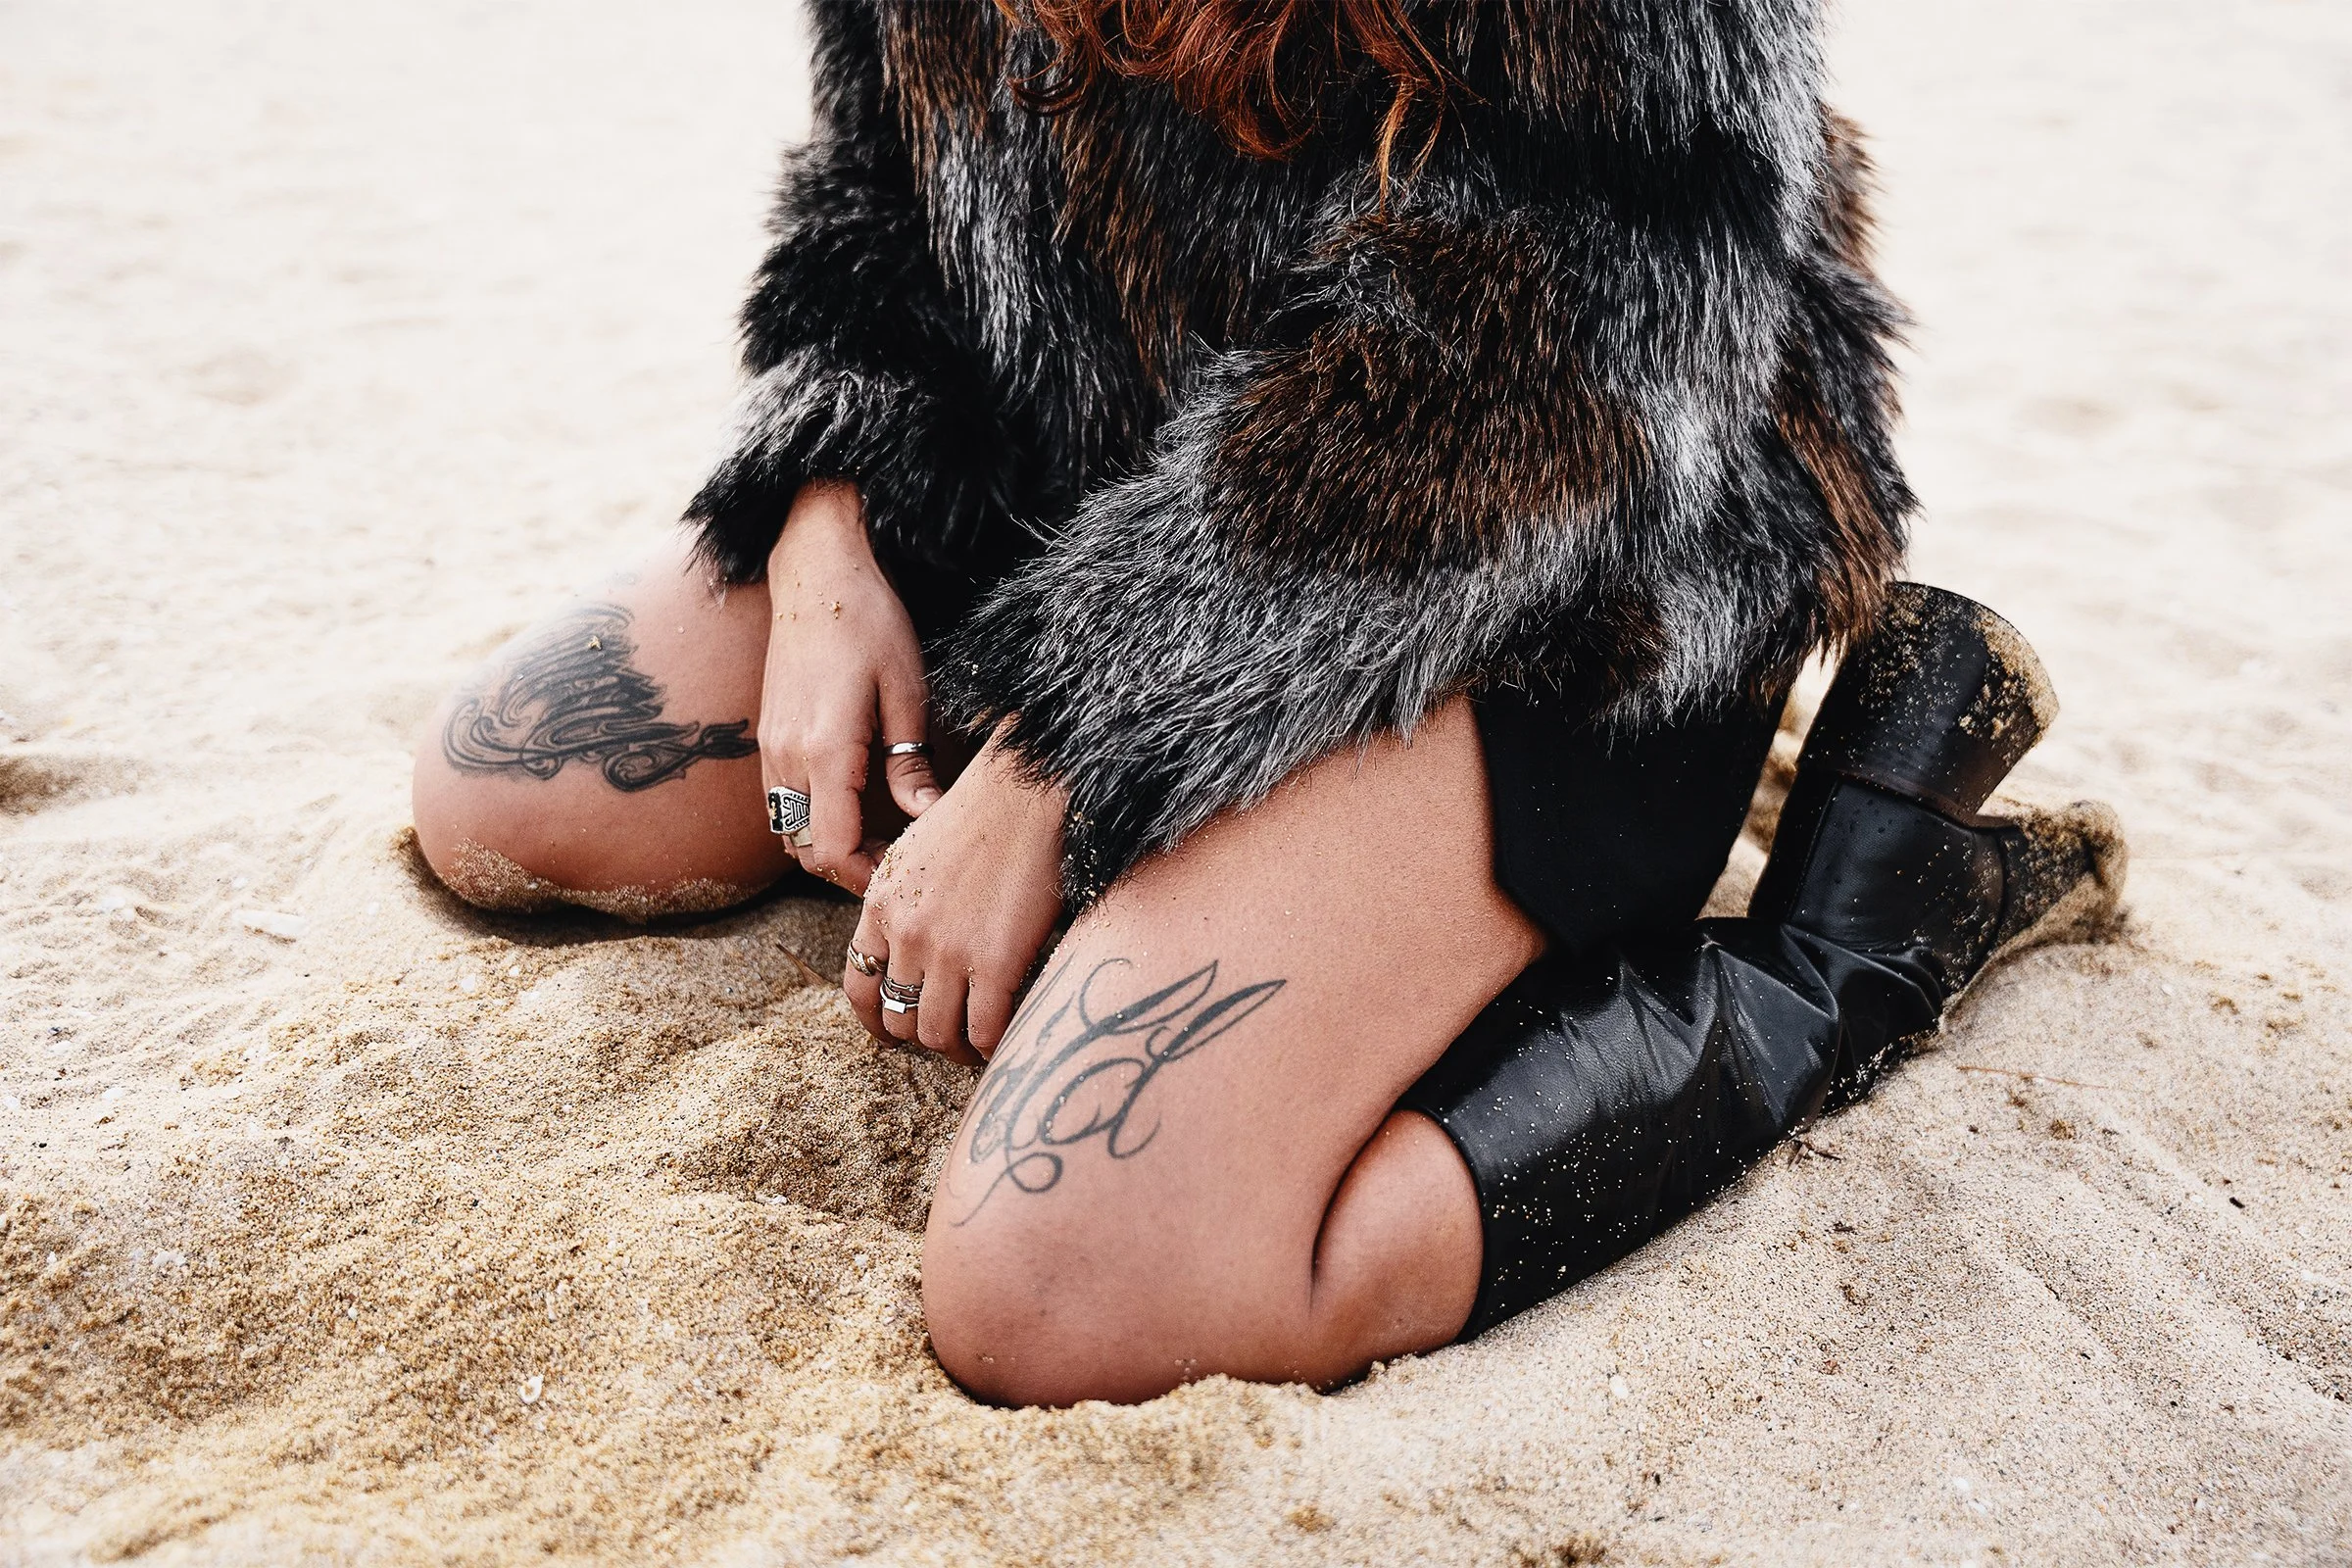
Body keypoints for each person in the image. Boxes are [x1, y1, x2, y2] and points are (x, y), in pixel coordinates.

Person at [411, 0, 2123, 1407]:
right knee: (510, 789)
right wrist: (822, 523)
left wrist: (1066, 753)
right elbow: (876, 184)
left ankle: (1851, 951)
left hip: (1557, 575)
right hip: (1090, 470)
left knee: (1059, 1294)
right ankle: (1186, 883)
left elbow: (1564, 361)